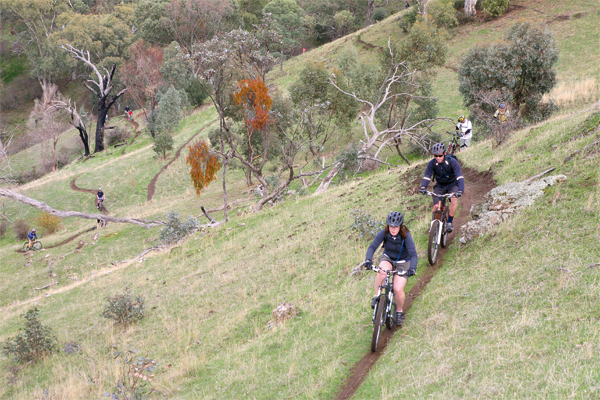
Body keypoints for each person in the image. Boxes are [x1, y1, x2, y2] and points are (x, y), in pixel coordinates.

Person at [364, 212, 418, 326]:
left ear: (400, 227)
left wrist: (412, 268)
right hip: (388, 258)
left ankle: (399, 312)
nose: (393, 229)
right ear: (388, 225)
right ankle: (377, 296)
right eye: (391, 226)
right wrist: (368, 259)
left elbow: (413, 254)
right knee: (382, 273)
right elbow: (373, 246)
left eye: (396, 227)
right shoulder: (385, 233)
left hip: (403, 262)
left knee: (398, 289)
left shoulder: (406, 235)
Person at [419, 143, 465, 233]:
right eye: (436, 156)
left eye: (440, 155)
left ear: (444, 153)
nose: (438, 157)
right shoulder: (432, 163)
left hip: (452, 184)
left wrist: (460, 190)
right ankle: (434, 226)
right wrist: (423, 187)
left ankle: (449, 223)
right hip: (440, 185)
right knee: (437, 206)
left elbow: (459, 176)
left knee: (454, 199)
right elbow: (427, 175)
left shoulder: (452, 162)